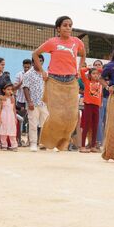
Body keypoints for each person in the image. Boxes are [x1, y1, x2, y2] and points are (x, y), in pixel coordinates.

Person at [31, 16, 86, 150]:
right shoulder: (52, 42)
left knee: (73, 115)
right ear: (58, 29)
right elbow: (35, 54)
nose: (68, 28)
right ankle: (47, 140)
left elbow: (83, 54)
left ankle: (64, 141)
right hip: (54, 81)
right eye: (65, 25)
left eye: (70, 25)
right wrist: (43, 71)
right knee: (56, 115)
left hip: (71, 81)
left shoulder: (77, 42)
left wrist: (79, 69)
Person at [23, 55, 48, 152]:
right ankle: (33, 143)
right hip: (33, 103)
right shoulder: (28, 74)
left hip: (44, 103)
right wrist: (29, 102)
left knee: (45, 124)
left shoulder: (45, 73)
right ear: (33, 62)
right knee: (33, 124)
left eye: (41, 61)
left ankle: (42, 143)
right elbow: (25, 88)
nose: (39, 62)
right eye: (37, 61)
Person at [79, 66, 102, 153]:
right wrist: (89, 68)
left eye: (97, 74)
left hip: (96, 106)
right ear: (89, 75)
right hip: (88, 105)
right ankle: (82, 146)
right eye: (93, 73)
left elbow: (104, 70)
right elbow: (81, 70)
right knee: (86, 125)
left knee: (95, 125)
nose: (96, 75)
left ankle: (93, 146)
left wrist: (97, 69)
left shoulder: (100, 83)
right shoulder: (86, 81)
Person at [14, 58, 32, 146]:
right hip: (20, 101)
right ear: (23, 66)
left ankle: (29, 141)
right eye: (25, 67)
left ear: (31, 66)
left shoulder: (34, 75)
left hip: (30, 102)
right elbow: (14, 88)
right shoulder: (19, 75)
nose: (26, 69)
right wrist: (21, 83)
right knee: (19, 122)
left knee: (30, 122)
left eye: (28, 67)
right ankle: (18, 140)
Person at [0, 83, 18, 151]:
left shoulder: (13, 98)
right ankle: (4, 145)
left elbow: (14, 109)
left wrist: (15, 118)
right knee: (3, 129)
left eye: (11, 90)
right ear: (4, 90)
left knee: (12, 129)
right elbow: (0, 108)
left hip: (11, 116)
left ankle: (14, 145)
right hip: (4, 115)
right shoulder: (2, 98)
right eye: (8, 89)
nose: (10, 91)